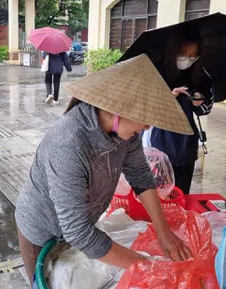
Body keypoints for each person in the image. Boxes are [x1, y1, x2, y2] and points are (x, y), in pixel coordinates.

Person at [16, 54, 194, 285]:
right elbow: (78, 232)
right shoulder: (68, 143)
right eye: (145, 118)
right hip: (42, 232)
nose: (148, 126)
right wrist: (145, 265)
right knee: (46, 281)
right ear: (119, 110)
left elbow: (140, 176)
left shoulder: (126, 134)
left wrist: (164, 233)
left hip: (79, 226)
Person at [144, 30, 214, 194]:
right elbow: (144, 107)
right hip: (158, 139)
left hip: (185, 143)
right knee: (158, 192)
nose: (188, 59)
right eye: (184, 53)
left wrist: (199, 102)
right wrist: (170, 97)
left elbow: (206, 109)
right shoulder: (156, 71)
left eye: (193, 55)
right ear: (174, 51)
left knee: (180, 194)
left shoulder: (201, 75)